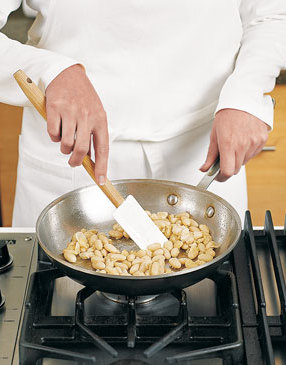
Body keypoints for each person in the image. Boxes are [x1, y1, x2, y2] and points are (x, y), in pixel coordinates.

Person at [0, 0, 285, 226]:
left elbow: (271, 14)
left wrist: (246, 92)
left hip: (203, 152)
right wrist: (49, 71)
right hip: (72, 157)